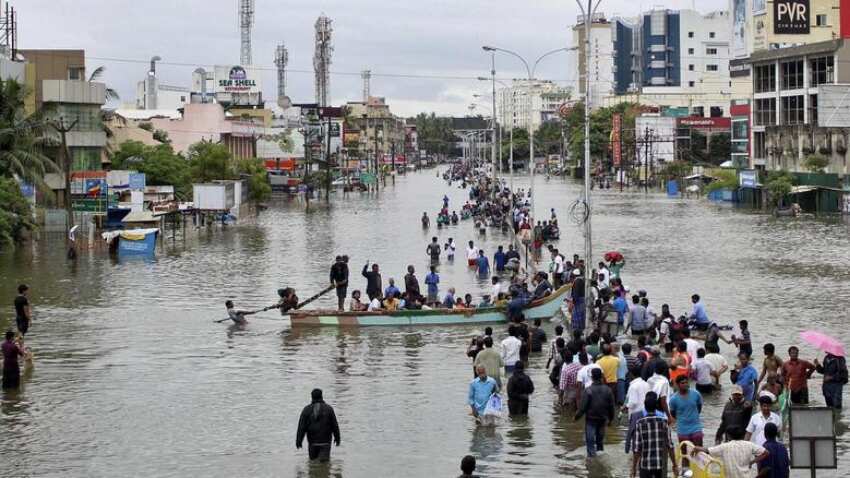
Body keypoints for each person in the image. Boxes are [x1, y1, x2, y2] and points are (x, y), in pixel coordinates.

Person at [631, 392, 679, 478]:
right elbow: (670, 445)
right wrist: (674, 464)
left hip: (645, 465)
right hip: (660, 465)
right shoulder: (664, 422)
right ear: (656, 406)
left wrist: (633, 468)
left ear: (645, 406)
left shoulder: (639, 423)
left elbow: (637, 448)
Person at [691, 427, 768, 478]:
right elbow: (766, 452)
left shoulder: (724, 446)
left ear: (729, 436)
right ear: (742, 435)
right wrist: (752, 462)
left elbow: (708, 450)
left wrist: (697, 448)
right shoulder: (749, 444)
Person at [575, 368, 616, 458]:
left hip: (591, 421)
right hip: (602, 420)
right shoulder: (608, 390)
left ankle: (592, 465)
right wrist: (611, 419)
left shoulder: (588, 390)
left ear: (592, 378)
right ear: (601, 377)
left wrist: (576, 417)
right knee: (600, 444)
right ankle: (600, 464)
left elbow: (582, 408)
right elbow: (611, 407)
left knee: (590, 444)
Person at [296, 389, 341, 463]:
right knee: (324, 465)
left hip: (312, 443)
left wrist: (299, 441)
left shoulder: (306, 410)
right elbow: (334, 425)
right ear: (322, 396)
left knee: (313, 464)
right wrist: (337, 438)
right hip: (325, 443)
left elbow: (301, 427)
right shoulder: (329, 409)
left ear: (312, 397)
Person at [669, 375, 704, 446]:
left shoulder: (696, 394)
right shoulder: (673, 399)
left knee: (700, 452)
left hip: (696, 427)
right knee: (685, 454)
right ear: (678, 385)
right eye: (682, 383)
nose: (685, 384)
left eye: (686, 382)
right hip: (682, 429)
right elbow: (673, 414)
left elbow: (699, 408)